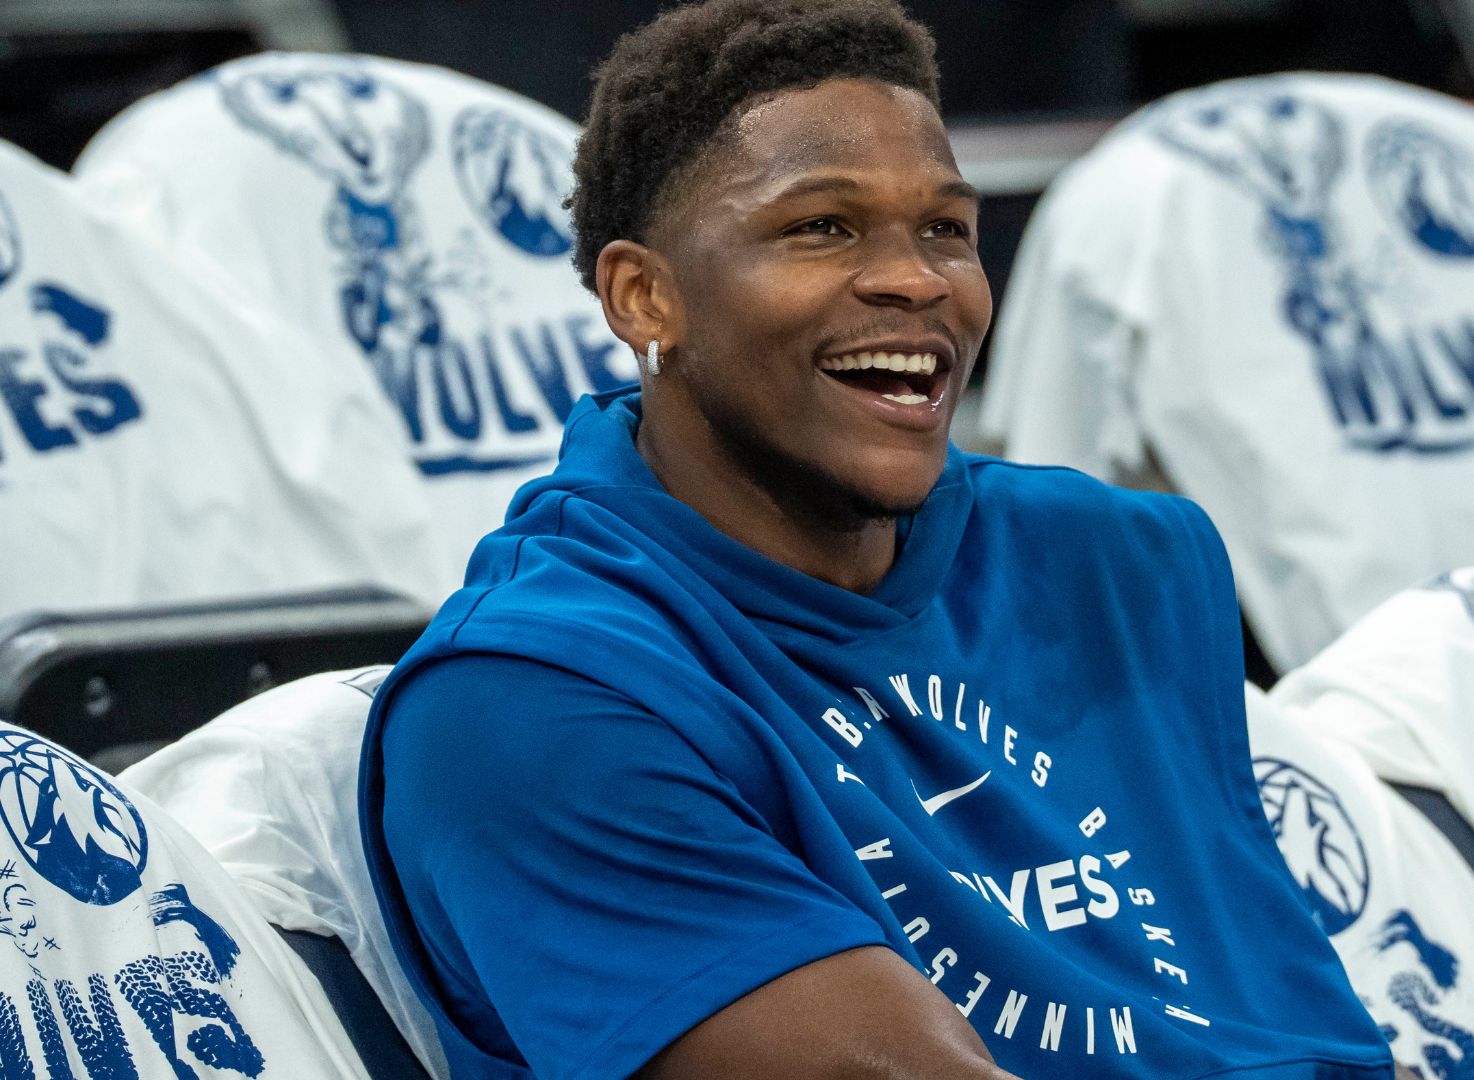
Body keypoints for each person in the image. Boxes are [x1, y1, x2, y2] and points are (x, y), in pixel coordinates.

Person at [361, 1, 1394, 1077]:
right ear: (644, 295)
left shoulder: (1110, 560)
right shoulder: (531, 704)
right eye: (823, 226)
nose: (919, 279)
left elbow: (1283, 1018)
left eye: (947, 228)